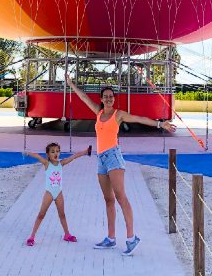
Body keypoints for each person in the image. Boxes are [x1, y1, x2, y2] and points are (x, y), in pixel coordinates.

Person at [66, 74, 176, 256]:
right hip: (101, 158)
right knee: (108, 200)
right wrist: (70, 84)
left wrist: (160, 124)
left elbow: (139, 118)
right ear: (101, 99)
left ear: (114, 99)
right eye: (105, 96)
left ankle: (132, 238)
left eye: (111, 96)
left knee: (120, 197)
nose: (108, 99)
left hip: (113, 157)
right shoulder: (99, 112)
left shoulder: (119, 115)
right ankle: (110, 238)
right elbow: (84, 97)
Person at [23, 141, 91, 246]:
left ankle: (67, 234)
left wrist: (85, 152)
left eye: (58, 151)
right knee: (41, 215)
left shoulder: (61, 163)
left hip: (58, 192)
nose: (56, 154)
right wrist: (28, 153)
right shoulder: (47, 164)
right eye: (53, 152)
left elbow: (73, 157)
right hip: (49, 193)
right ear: (48, 154)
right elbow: (37, 156)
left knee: (62, 214)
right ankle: (32, 237)